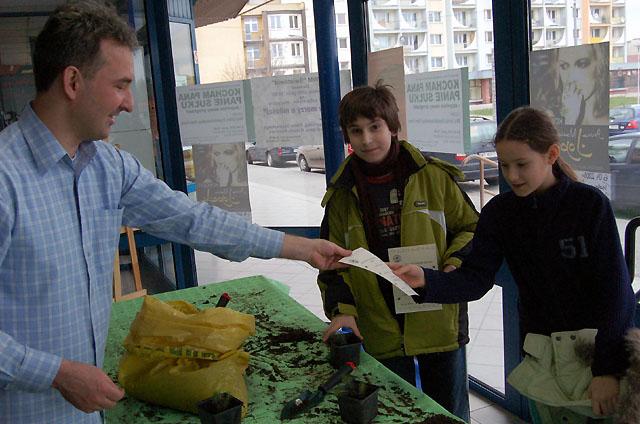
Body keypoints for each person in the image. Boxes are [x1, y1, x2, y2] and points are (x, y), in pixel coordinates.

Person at [0, 3, 350, 423]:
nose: (130, 103)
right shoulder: (6, 178)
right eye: (121, 85)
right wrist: (56, 374)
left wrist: (300, 247)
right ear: (73, 81)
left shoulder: (108, 167)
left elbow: (192, 219)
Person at [389, 106, 637, 420]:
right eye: (505, 165)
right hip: (542, 353)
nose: (512, 176)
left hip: (598, 351)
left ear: (551, 155)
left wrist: (607, 370)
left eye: (522, 164)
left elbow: (616, 291)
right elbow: (476, 278)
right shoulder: (500, 212)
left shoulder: (588, 204)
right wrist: (425, 280)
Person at [317, 81, 479, 422]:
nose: (366, 139)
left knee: (448, 414)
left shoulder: (433, 177)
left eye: (375, 127)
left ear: (392, 127)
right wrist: (341, 310)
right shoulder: (342, 194)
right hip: (378, 323)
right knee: (396, 413)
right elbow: (332, 260)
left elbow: (473, 228)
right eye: (356, 130)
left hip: (438, 317)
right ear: (347, 136)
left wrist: (453, 265)